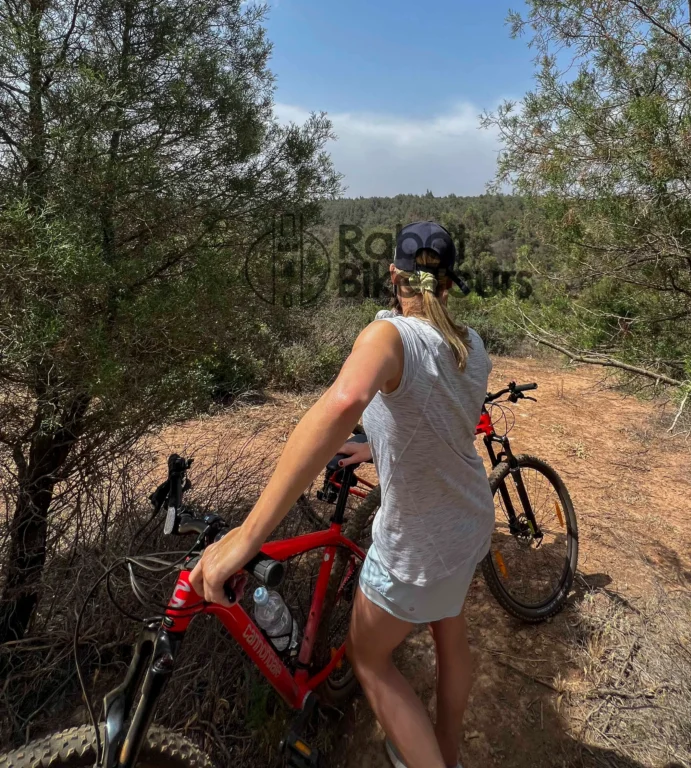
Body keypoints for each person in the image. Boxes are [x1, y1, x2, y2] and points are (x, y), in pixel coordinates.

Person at [190, 222, 495, 768]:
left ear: (393, 275)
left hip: (417, 544)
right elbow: (444, 426)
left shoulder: (390, 337)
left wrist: (248, 535)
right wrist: (375, 448)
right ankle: (444, 751)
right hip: (468, 522)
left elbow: (344, 400)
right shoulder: (469, 345)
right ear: (449, 284)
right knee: (451, 633)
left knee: (369, 659)